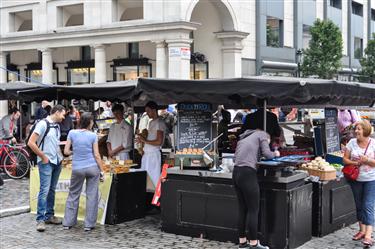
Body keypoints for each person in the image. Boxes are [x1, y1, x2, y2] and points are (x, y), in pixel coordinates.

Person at [233, 126, 280, 249]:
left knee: (242, 209)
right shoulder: (263, 135)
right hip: (248, 174)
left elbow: (238, 157)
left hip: (236, 173)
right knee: (254, 210)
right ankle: (254, 244)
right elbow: (267, 154)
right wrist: (275, 153)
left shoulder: (244, 137)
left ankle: (242, 242)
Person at [63, 112, 104, 231]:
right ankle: (89, 225)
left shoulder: (72, 133)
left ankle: (68, 223)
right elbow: (96, 155)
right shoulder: (93, 136)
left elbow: (66, 151)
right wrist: (102, 170)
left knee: (73, 194)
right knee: (92, 196)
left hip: (77, 168)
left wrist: (74, 151)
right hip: (92, 167)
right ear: (90, 122)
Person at [27, 105, 66, 232]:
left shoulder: (57, 126)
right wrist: (43, 156)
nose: (64, 117)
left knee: (52, 190)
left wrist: (60, 157)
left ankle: (49, 215)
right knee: (44, 190)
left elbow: (55, 143)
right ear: (57, 112)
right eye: (63, 114)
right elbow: (31, 143)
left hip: (56, 161)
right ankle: (40, 219)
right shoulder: (42, 124)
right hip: (46, 162)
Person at [343, 120, 375, 247]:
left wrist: (366, 160)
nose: (356, 131)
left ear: (366, 131)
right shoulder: (351, 142)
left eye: (359, 129)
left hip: (371, 179)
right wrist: (355, 163)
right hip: (355, 179)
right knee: (359, 205)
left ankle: (368, 235)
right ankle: (361, 230)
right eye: (356, 129)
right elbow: (345, 160)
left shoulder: (373, 143)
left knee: (368, 205)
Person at [137, 101, 166, 189]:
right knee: (145, 180)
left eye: (148, 111)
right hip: (147, 155)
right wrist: (142, 139)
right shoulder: (151, 122)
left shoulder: (159, 123)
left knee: (153, 180)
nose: (147, 113)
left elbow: (159, 142)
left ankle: (153, 200)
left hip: (153, 156)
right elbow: (151, 138)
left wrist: (145, 140)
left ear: (154, 110)